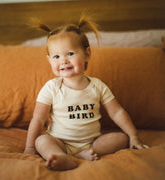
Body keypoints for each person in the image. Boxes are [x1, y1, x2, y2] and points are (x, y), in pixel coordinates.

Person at [24, 14, 149, 171]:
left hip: (92, 143)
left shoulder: (97, 86)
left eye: (70, 54)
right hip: (59, 141)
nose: (63, 61)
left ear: (87, 54)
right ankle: (61, 156)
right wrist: (29, 147)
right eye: (56, 56)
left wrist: (133, 136)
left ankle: (83, 154)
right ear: (49, 60)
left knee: (121, 138)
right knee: (41, 141)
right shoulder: (51, 87)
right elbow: (38, 118)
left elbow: (117, 112)